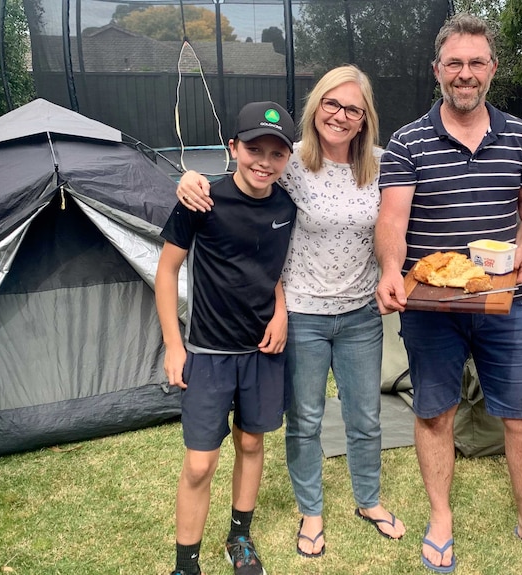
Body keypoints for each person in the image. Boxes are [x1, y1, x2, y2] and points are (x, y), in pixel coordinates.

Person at [175, 65, 406, 559]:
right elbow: (240, 185)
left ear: (365, 119)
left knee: (365, 416)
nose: (341, 116)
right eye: (332, 104)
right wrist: (188, 179)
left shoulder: (382, 165)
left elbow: (400, 218)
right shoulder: (290, 160)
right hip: (301, 313)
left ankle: (368, 500)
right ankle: (312, 511)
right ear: (316, 106)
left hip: (362, 312)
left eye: (353, 109)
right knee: (306, 418)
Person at [374, 13, 522, 574]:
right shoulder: (407, 141)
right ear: (438, 70)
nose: (466, 73)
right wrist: (389, 269)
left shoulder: (520, 135)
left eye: (476, 63)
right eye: (455, 63)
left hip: (503, 302)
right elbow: (393, 220)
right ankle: (441, 517)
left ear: (492, 70)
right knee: (434, 413)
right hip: (430, 306)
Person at [156, 100, 297, 575]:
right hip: (208, 355)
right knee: (199, 465)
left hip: (262, 352)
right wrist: (175, 347)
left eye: (276, 153)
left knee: (253, 445)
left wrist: (280, 313)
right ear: (232, 147)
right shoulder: (201, 200)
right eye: (254, 148)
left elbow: (271, 269)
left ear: (288, 158)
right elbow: (166, 272)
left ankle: (239, 537)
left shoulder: (286, 206)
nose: (264, 161)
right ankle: (185, 565)